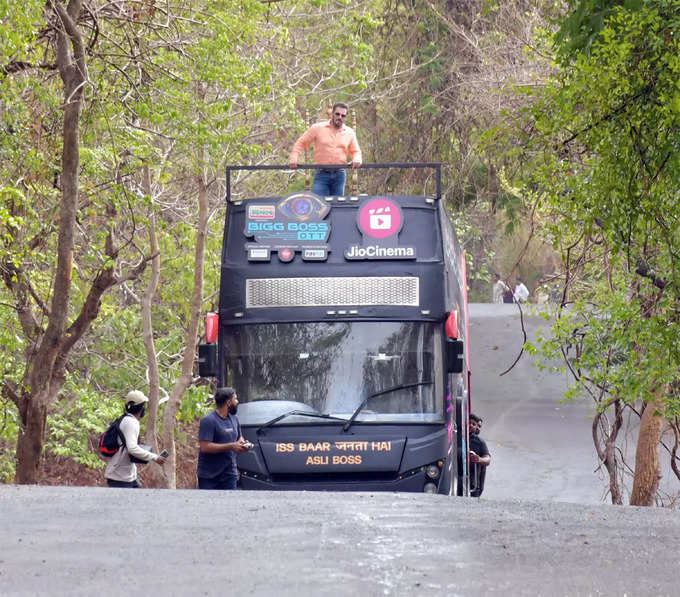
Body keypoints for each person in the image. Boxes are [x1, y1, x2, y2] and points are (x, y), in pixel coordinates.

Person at [288, 102, 362, 197]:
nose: (340, 117)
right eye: (337, 114)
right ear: (332, 114)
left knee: (337, 206)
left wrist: (356, 160)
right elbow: (301, 143)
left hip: (340, 174)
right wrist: (294, 159)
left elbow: (356, 151)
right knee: (319, 206)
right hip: (321, 174)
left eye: (343, 115)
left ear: (345, 118)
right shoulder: (317, 128)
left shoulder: (349, 132)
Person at [104, 390, 166, 488]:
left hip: (126, 476)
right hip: (120, 478)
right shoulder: (131, 422)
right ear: (141, 408)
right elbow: (132, 449)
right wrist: (155, 457)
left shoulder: (125, 419)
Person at [197, 387, 249, 490]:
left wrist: (243, 444)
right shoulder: (208, 420)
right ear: (229, 403)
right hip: (209, 476)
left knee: (230, 505)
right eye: (235, 399)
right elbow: (205, 447)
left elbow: (239, 438)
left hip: (229, 474)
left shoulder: (234, 418)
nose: (237, 402)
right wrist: (231, 446)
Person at [469, 413, 490, 498]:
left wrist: (479, 459)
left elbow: (488, 460)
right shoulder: (456, 438)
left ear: (477, 427)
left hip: (474, 485)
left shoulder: (480, 442)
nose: (470, 425)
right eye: (469, 422)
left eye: (473, 424)